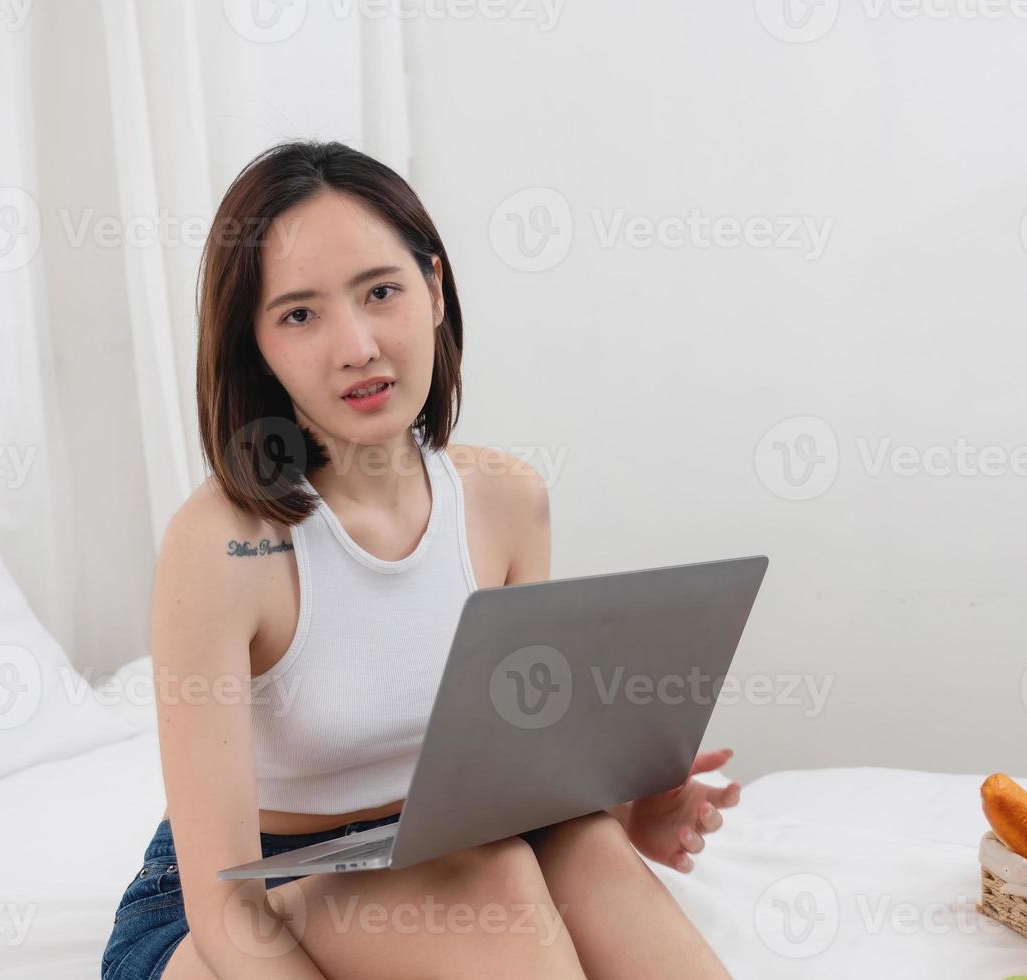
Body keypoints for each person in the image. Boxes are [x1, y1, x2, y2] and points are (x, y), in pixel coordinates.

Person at [100, 140, 742, 979]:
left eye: (381, 292)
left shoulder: (508, 501)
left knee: (579, 846)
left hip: (431, 855)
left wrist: (625, 812)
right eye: (300, 314)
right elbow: (222, 906)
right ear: (255, 343)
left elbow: (516, 774)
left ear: (434, 290)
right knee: (502, 881)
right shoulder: (225, 540)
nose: (358, 345)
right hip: (233, 911)